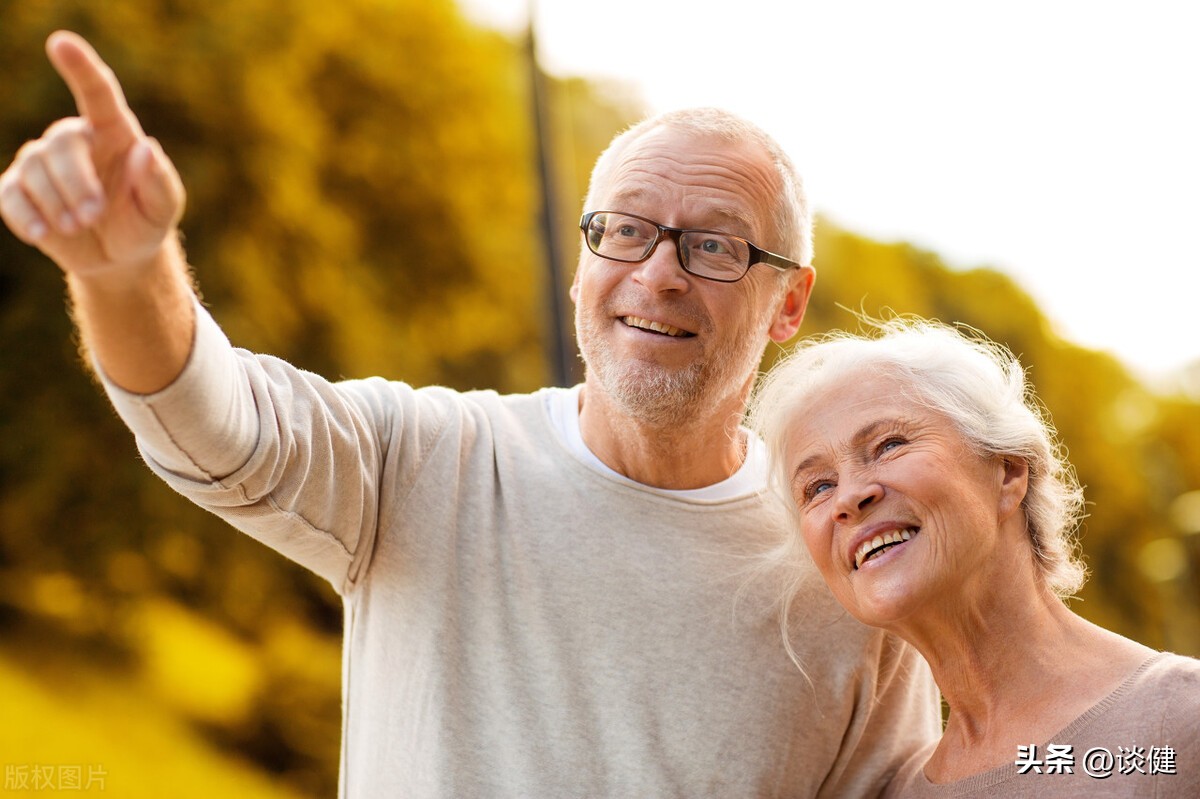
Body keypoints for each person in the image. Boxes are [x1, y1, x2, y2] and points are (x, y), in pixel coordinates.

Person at [1, 31, 942, 798]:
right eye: (625, 230)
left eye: (713, 245)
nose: (658, 274)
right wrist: (125, 272)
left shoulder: (851, 577)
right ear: (583, 261)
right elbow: (211, 416)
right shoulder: (426, 460)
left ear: (788, 303)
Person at [749, 317, 1200, 797]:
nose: (848, 498)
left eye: (889, 445)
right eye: (817, 487)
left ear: (1007, 471)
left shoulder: (1181, 719)